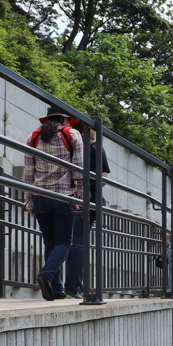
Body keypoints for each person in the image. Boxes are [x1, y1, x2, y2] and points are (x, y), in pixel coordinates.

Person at [24, 107, 83, 301]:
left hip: (40, 195)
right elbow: (78, 168)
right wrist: (80, 195)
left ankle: (57, 289)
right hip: (63, 195)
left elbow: (28, 171)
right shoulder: (72, 134)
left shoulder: (33, 136)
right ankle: (47, 274)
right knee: (65, 242)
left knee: (49, 242)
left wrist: (28, 199)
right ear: (65, 119)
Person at [64, 122, 110, 299]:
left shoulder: (68, 144)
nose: (96, 132)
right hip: (88, 200)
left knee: (63, 241)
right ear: (88, 129)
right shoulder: (95, 148)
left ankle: (62, 284)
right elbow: (104, 179)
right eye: (94, 128)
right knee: (79, 242)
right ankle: (73, 286)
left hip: (67, 196)